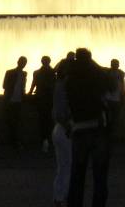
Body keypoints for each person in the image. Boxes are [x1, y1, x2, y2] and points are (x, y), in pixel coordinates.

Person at [65, 48, 111, 207]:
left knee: (77, 175)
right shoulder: (96, 76)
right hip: (97, 129)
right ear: (90, 59)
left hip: (79, 129)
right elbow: (112, 84)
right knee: (100, 176)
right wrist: (94, 65)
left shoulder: (70, 78)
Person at [51, 63, 73, 207]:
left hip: (59, 129)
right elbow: (60, 113)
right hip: (65, 130)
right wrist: (68, 126)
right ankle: (63, 196)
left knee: (63, 166)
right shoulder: (63, 87)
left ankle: (59, 196)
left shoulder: (58, 86)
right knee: (67, 165)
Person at [30, 55, 56, 153]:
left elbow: (34, 84)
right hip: (48, 99)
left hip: (42, 99)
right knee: (48, 121)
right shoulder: (53, 72)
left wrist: (30, 93)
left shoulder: (37, 73)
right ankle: (48, 140)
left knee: (43, 121)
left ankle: (44, 140)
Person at [3, 55, 28, 149]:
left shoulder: (23, 74)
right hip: (13, 100)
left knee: (14, 121)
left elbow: (5, 86)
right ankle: (14, 141)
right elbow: (5, 85)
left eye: (24, 63)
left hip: (15, 100)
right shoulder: (12, 72)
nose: (23, 64)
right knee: (13, 121)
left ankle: (14, 141)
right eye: (23, 62)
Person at [104, 59, 125, 134]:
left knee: (110, 116)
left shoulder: (107, 73)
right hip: (114, 99)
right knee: (113, 117)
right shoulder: (120, 74)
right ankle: (112, 131)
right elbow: (123, 85)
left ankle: (109, 130)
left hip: (110, 98)